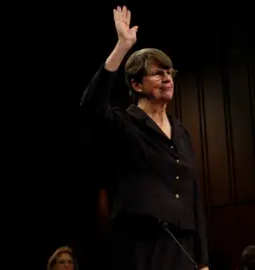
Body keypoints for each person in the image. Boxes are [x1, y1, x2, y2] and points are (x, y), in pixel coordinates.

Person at [79, 5, 209, 270]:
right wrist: (122, 48)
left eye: (169, 73)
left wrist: (203, 260)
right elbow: (91, 106)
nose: (167, 78)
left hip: (182, 248)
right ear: (137, 85)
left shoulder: (181, 131)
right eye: (158, 73)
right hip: (140, 246)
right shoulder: (124, 123)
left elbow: (193, 197)